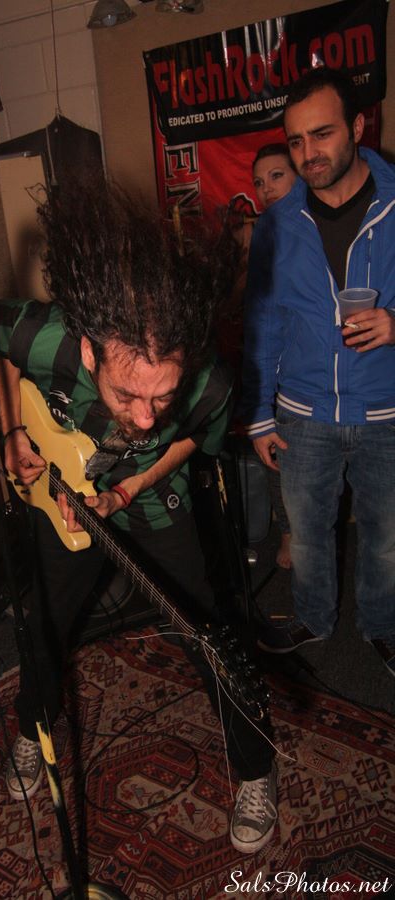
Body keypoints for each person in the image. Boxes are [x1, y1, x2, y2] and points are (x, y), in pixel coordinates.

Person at [0, 181, 278, 854]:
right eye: (127, 394)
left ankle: (256, 766)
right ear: (89, 350)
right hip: (62, 492)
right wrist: (12, 430)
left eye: (161, 395)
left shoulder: (210, 381)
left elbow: (187, 440)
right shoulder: (45, 337)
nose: (146, 416)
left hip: (148, 499)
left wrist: (126, 490)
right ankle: (34, 727)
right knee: (43, 621)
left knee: (206, 631)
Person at [240, 67, 395, 677]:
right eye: (297, 141)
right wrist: (258, 415)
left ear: (357, 126)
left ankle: (382, 625)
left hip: (386, 411)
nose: (309, 153)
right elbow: (263, 323)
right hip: (303, 415)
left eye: (322, 134)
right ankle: (312, 617)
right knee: (306, 535)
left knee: (387, 538)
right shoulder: (277, 224)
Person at [251, 144, 297, 569]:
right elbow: (260, 313)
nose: (266, 188)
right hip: (282, 378)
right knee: (276, 458)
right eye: (259, 182)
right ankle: (287, 532)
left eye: (276, 176)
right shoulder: (265, 230)